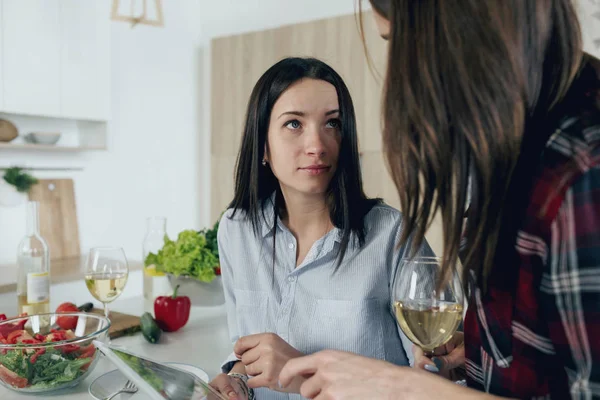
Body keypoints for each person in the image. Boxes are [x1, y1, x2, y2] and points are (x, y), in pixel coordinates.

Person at [279, 1, 600, 399]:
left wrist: (405, 388)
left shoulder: (581, 172)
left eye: (397, 41)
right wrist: (481, 355)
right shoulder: (514, 155)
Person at [209, 57, 433, 400]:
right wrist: (237, 380)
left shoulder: (394, 236)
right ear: (263, 145)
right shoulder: (236, 229)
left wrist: (301, 370)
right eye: (294, 124)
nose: (317, 145)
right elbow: (245, 351)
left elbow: (432, 384)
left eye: (333, 124)